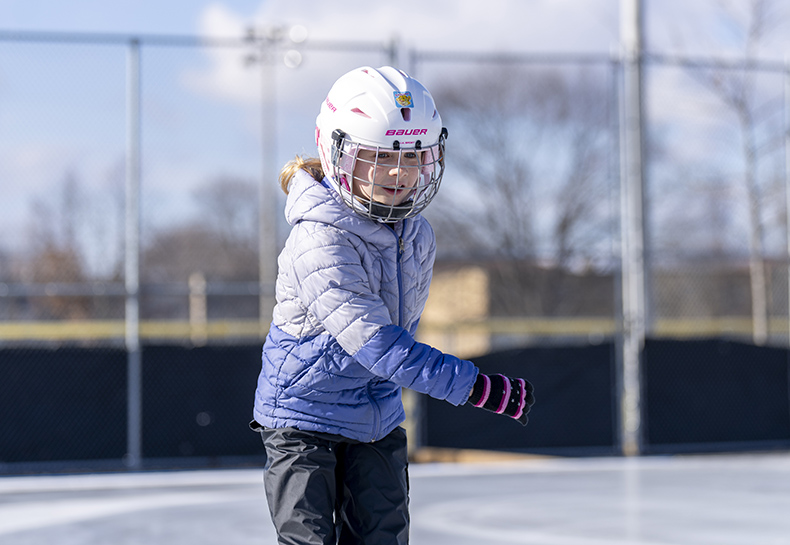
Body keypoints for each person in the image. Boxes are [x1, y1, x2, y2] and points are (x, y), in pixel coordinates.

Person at [250, 65, 535, 545]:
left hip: (375, 413)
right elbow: (378, 344)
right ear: (338, 152)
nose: (400, 174)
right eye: (380, 158)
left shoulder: (416, 235)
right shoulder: (319, 240)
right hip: (302, 418)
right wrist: (475, 386)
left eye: (414, 156)